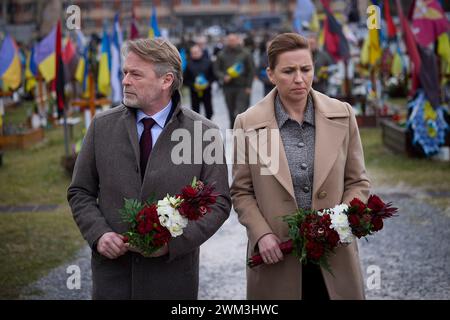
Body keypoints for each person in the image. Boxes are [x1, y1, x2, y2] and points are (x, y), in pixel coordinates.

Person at [67, 38, 231, 299]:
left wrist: (173, 244)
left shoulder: (203, 132)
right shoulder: (101, 126)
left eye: (135, 74)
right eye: (125, 72)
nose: (125, 81)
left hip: (173, 279)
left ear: (166, 81)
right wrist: (98, 234)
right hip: (113, 279)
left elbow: (219, 202)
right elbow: (80, 192)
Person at [230, 33, 370, 300]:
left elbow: (358, 182)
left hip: (334, 251)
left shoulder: (343, 113)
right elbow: (241, 192)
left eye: (306, 69)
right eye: (288, 71)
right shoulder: (247, 123)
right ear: (270, 74)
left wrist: (341, 221)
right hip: (277, 254)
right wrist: (261, 235)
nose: (299, 78)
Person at [213, 32, 255, 128]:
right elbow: (216, 70)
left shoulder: (245, 53)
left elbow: (251, 70)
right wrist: (223, 77)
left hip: (242, 86)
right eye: (229, 40)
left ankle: (243, 130)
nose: (231, 42)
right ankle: (233, 130)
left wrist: (249, 86)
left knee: (241, 110)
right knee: (231, 111)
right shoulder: (221, 54)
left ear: (238, 40)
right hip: (228, 87)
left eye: (233, 40)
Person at [183, 44, 215, 119]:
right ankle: (198, 128)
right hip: (194, 92)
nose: (195, 54)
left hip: (207, 91)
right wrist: (193, 85)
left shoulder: (208, 62)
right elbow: (185, 80)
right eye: (193, 53)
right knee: (195, 112)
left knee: (209, 111)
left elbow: (213, 76)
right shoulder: (188, 64)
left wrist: (208, 83)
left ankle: (208, 126)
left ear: (201, 52)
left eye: (196, 52)